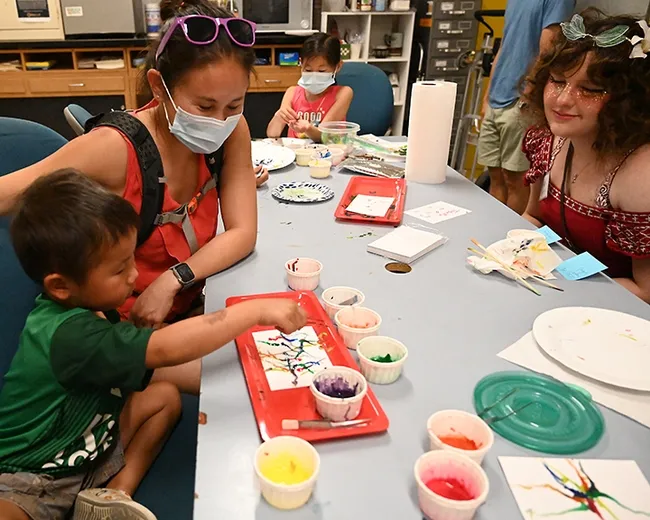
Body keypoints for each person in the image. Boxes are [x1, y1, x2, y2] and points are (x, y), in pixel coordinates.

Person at [0, 170, 307, 520]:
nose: (133, 275)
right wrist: (254, 311)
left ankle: (114, 493)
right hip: (31, 476)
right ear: (60, 286)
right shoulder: (68, 334)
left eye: (132, 259)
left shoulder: (91, 306)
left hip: (88, 448)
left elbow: (159, 359)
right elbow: (164, 350)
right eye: (119, 269)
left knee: (163, 399)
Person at [0, 0, 264, 394]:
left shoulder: (231, 130)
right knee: (241, 385)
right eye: (204, 106)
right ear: (159, 87)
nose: (219, 121)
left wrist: (172, 280)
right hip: (122, 334)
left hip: (179, 309)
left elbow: (243, 232)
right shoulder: (113, 148)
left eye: (234, 104)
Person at [522, 9, 650, 303]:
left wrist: (557, 287)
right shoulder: (549, 140)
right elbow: (533, 217)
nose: (563, 100)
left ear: (628, 101)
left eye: (590, 90)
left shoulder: (641, 173)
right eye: (556, 81)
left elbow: (645, 292)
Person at [477, 0, 575, 214]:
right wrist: (487, 96)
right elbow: (504, 46)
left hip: (519, 101)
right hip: (496, 97)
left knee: (515, 179)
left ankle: (509, 240)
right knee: (494, 175)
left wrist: (529, 94)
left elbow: (548, 51)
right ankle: (492, 236)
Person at [267, 32, 353, 142]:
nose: (314, 75)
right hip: (296, 152)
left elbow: (324, 136)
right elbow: (272, 134)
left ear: (338, 66)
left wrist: (307, 128)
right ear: (301, 63)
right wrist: (279, 116)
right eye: (308, 70)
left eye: (322, 71)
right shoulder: (292, 92)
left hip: (328, 154)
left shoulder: (343, 93)